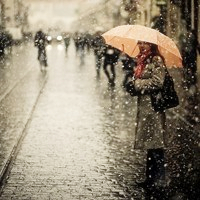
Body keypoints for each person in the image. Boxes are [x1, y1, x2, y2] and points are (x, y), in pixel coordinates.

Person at [125, 41, 167, 189]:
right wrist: (132, 84)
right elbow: (142, 80)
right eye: (140, 43)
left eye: (145, 44)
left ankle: (160, 180)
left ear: (152, 45)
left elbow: (157, 82)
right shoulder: (142, 60)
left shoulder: (156, 60)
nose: (142, 46)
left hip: (153, 107)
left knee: (156, 143)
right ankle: (149, 179)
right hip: (145, 107)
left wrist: (137, 84)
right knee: (151, 143)